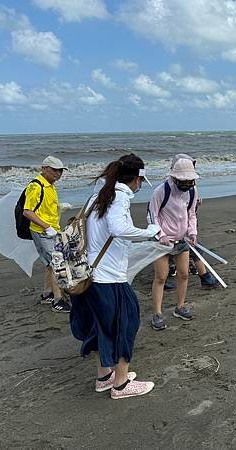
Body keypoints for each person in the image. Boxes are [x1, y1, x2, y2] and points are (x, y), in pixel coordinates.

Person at [69, 153, 161, 399]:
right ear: (136, 179)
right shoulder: (119, 197)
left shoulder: (97, 196)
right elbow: (119, 229)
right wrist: (151, 231)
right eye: (141, 181)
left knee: (103, 327)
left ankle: (104, 377)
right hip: (109, 278)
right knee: (126, 324)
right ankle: (121, 384)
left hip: (89, 275)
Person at [149, 158, 201, 331]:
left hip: (181, 241)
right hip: (162, 242)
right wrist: (161, 234)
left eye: (190, 181)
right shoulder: (161, 191)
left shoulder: (192, 191)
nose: (187, 184)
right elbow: (152, 215)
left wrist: (192, 231)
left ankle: (180, 307)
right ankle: (157, 313)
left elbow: (192, 213)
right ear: (175, 178)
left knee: (184, 275)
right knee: (161, 277)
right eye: (184, 181)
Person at [162, 154, 219, 291]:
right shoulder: (166, 187)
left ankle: (202, 276)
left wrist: (191, 229)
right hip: (170, 228)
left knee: (191, 249)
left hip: (185, 225)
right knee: (173, 252)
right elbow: (158, 211)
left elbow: (190, 209)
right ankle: (204, 277)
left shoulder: (190, 185)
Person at [23, 155, 71, 313]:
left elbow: (43, 207)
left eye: (60, 171)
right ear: (44, 169)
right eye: (55, 170)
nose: (58, 174)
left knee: (49, 264)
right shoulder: (36, 186)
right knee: (56, 264)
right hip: (42, 231)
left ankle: (47, 294)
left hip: (51, 230)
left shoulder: (50, 185)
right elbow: (27, 212)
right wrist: (46, 226)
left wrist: (59, 208)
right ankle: (58, 300)